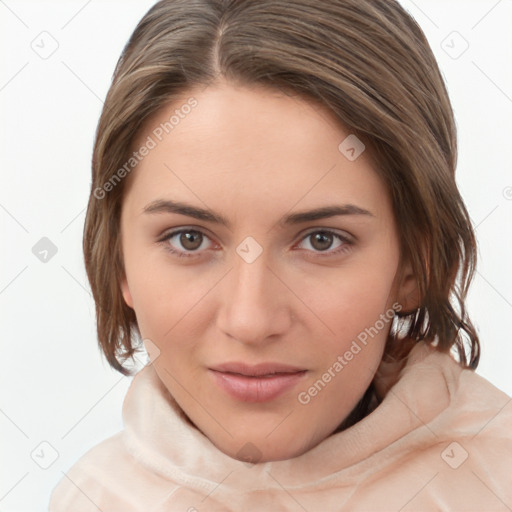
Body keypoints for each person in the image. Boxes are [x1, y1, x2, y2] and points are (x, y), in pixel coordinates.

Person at [49, 0, 512, 510]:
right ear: (119, 261)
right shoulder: (88, 497)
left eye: (321, 240)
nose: (250, 321)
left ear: (414, 264)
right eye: (189, 239)